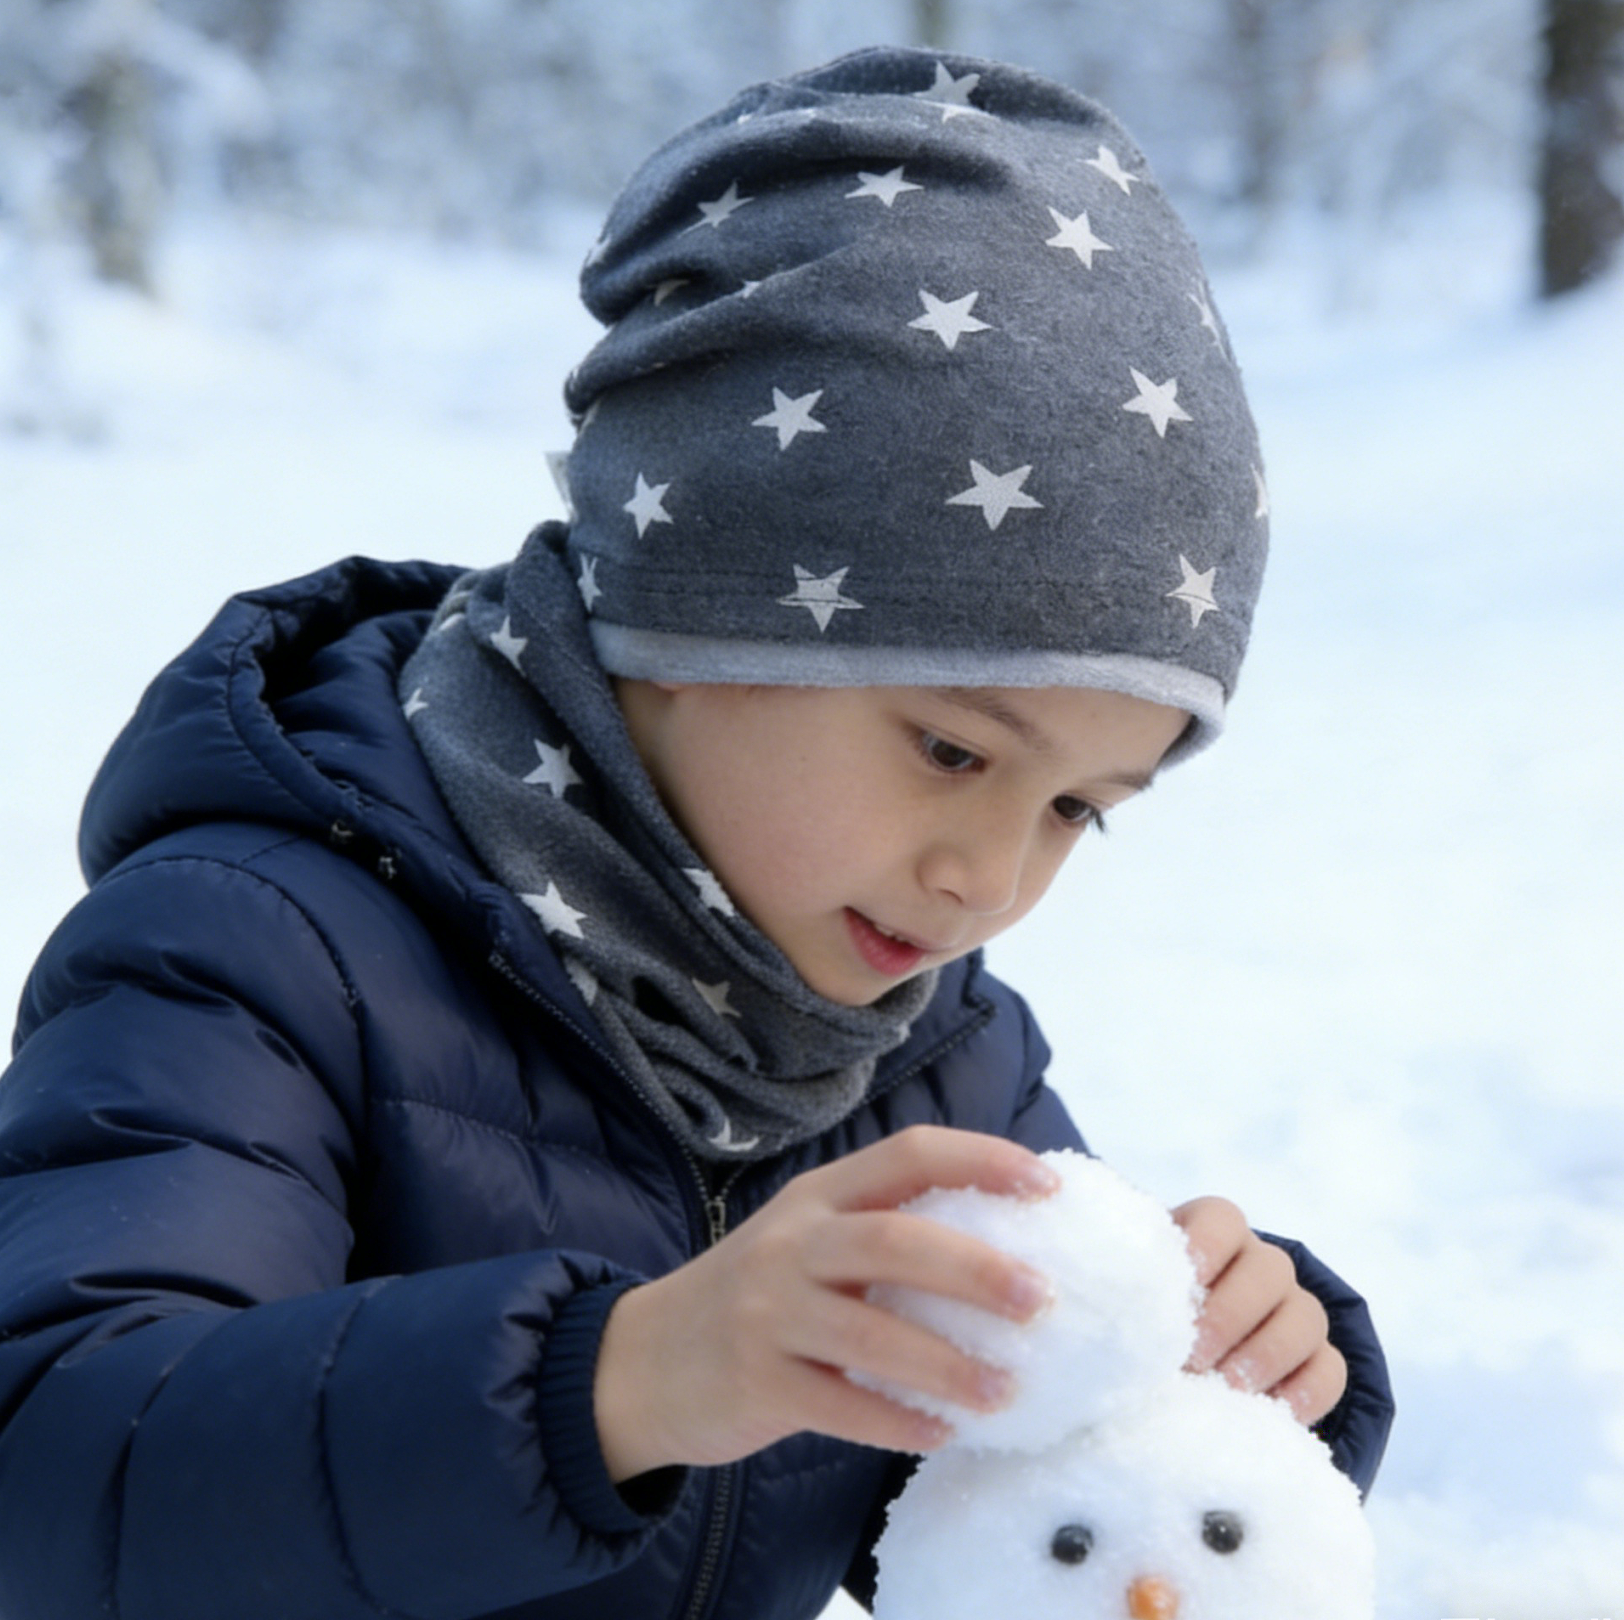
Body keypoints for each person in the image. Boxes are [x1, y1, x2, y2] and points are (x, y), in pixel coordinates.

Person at [0, 44, 1392, 1620]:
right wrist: (627, 1379)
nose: (988, 880)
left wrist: (1230, 1392)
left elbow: (981, 1518)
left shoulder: (928, 1046)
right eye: (949, 750)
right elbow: (54, 1470)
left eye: (1078, 808)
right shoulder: (256, 946)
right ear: (693, 617)